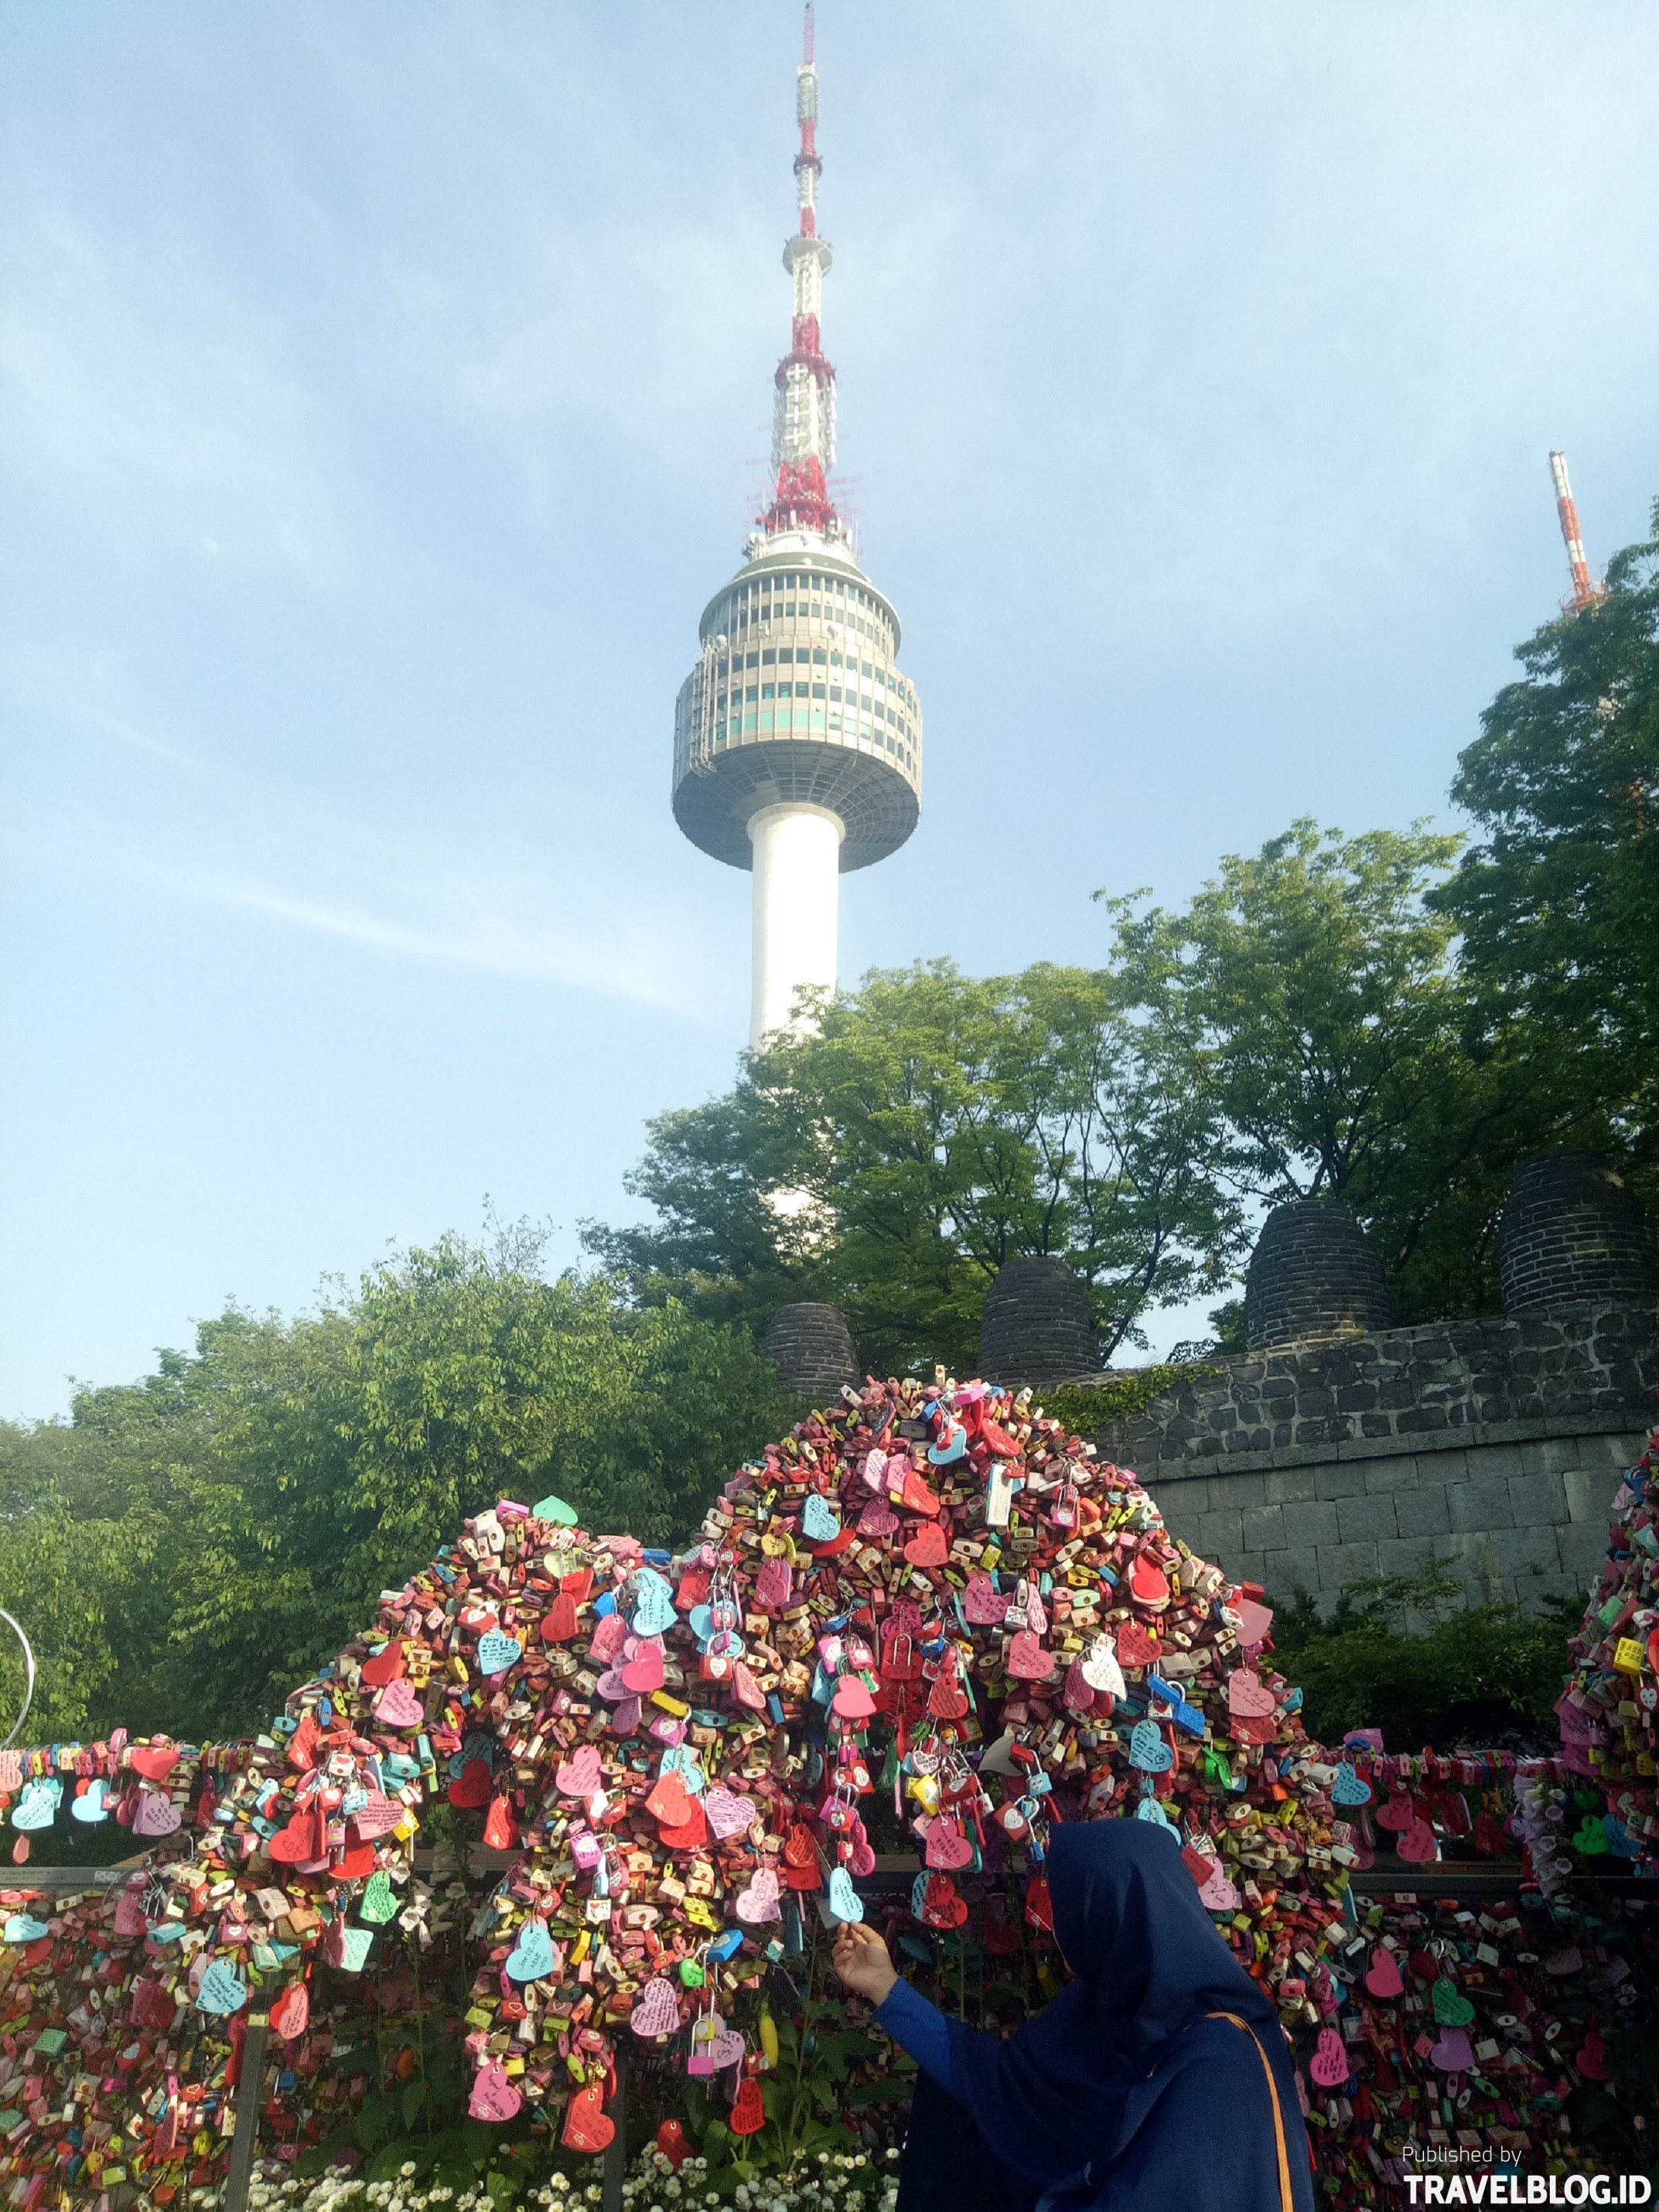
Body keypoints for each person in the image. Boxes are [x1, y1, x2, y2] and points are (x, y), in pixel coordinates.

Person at [832, 1819, 1314, 2212]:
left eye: (1065, 1911)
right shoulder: (1099, 2015)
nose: (1056, 1932)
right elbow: (995, 2083)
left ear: (1110, 1917)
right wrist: (884, 1987)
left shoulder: (1221, 2061)